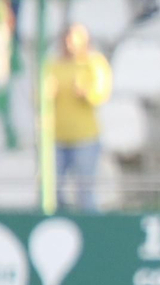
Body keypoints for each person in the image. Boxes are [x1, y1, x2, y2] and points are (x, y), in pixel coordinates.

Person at [46, 23, 111, 212]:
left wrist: (85, 93)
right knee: (52, 191)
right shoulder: (52, 65)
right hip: (56, 135)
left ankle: (91, 230)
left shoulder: (93, 63)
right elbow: (39, 96)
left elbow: (101, 94)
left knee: (85, 191)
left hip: (85, 137)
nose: (69, 44)